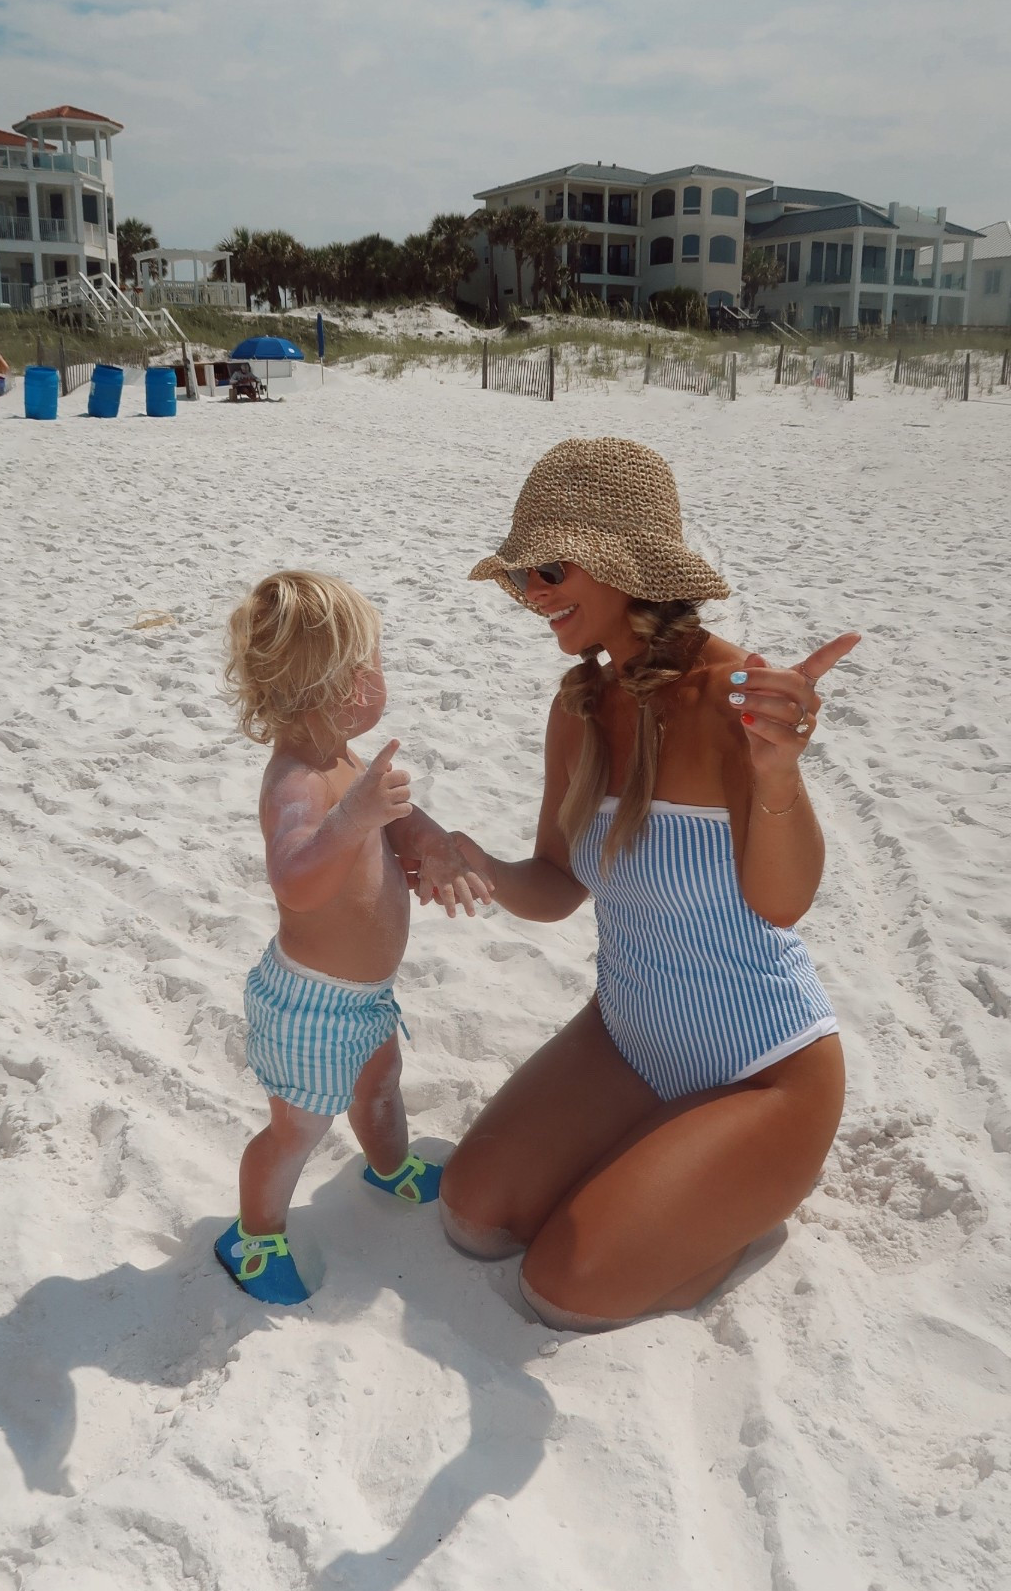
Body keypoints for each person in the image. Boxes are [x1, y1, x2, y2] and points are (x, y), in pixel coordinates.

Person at [436, 438, 858, 1332]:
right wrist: (483, 870)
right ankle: (665, 1170)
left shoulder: (740, 700)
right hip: (628, 1035)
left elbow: (784, 907)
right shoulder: (580, 705)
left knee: (562, 1292)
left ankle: (743, 1210)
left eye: (549, 568)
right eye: (521, 579)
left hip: (764, 1074)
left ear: (624, 564)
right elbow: (557, 884)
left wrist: (779, 776)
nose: (534, 594)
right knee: (475, 1217)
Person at [217, 570, 491, 1305]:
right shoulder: (298, 779)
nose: (378, 678)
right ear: (321, 685)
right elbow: (295, 879)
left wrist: (428, 843)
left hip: (367, 997)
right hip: (310, 1002)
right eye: (365, 666)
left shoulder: (345, 761)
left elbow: (401, 818)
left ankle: (388, 1163)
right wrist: (351, 821)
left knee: (379, 1086)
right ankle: (255, 1232)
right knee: (295, 1131)